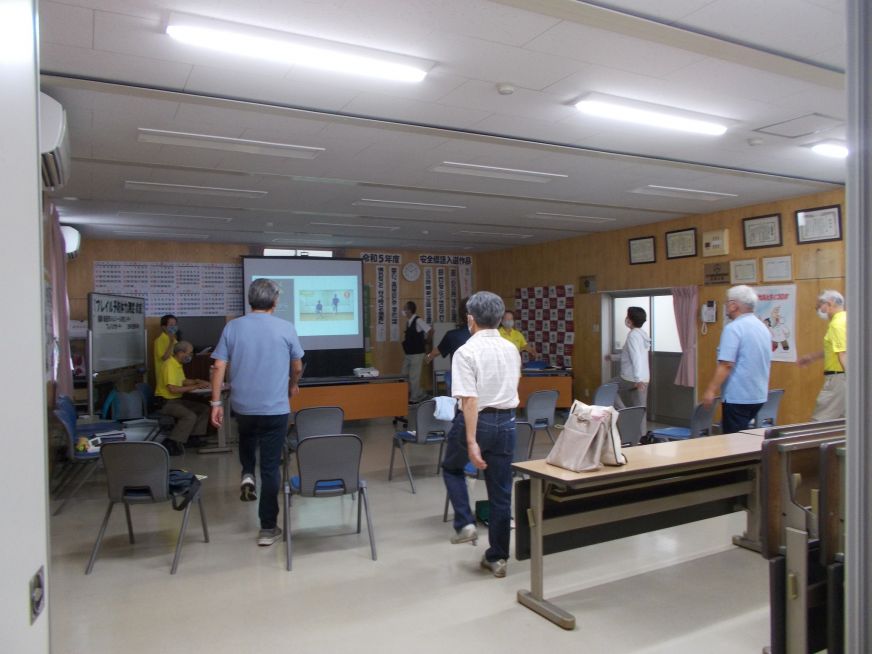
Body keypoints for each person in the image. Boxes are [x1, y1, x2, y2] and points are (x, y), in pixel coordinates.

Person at [210, 278, 305, 547]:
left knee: (247, 438)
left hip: (244, 406)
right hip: (275, 408)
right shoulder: (286, 327)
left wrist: (215, 403)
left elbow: (218, 367)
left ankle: (247, 473)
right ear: (274, 301)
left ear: (251, 300)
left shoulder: (233, 327)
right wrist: (293, 384)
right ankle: (267, 527)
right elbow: (297, 366)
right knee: (271, 467)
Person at [443, 291, 521, 578]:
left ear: (470, 319)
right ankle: (498, 558)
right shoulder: (511, 348)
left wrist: (472, 440)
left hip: (479, 421)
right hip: (508, 423)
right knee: (501, 493)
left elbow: (470, 400)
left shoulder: (466, 351)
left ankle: (465, 522)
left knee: (452, 468)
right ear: (500, 319)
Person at [702, 285, 771, 434]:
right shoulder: (762, 327)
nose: (726, 306)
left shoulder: (733, 328)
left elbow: (726, 364)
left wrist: (711, 390)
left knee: (733, 441)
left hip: (738, 396)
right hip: (758, 394)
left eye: (727, 302)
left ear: (734, 305)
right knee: (745, 437)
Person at [155, 340, 211, 455]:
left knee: (204, 409)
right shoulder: (169, 365)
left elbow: (182, 381)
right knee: (189, 416)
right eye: (189, 353)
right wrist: (195, 386)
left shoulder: (177, 364)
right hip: (166, 402)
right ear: (180, 353)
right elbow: (173, 389)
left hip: (177, 400)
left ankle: (192, 438)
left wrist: (197, 381)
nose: (190, 356)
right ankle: (172, 442)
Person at [798, 290, 846, 420]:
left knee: (819, 421)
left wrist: (851, 381)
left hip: (838, 379)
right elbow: (836, 349)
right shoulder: (847, 320)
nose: (818, 309)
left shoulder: (837, 324)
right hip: (844, 379)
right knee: (843, 422)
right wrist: (812, 357)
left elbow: (843, 353)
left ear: (829, 303)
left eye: (819, 305)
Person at [607, 306, 650, 432]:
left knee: (607, 388)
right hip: (644, 378)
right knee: (640, 408)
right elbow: (629, 356)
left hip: (631, 378)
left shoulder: (632, 336)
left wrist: (637, 379)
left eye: (627, 316)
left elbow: (636, 357)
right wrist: (613, 357)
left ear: (630, 320)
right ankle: (642, 436)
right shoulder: (643, 335)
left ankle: (625, 412)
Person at [425, 298, 470, 394]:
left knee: (448, 377)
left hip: (459, 382)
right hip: (483, 383)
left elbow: (435, 352)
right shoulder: (486, 335)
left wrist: (427, 358)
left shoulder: (452, 335)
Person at [401, 301, 432, 403]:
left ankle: (414, 398)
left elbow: (430, 331)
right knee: (404, 374)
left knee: (414, 377)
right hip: (409, 354)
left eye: (405, 309)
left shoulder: (418, 320)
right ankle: (420, 393)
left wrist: (426, 343)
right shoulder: (408, 322)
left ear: (409, 310)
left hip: (417, 354)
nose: (403, 311)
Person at [153, 314, 178, 381]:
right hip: (164, 374)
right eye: (171, 324)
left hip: (174, 371)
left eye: (175, 324)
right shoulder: (159, 340)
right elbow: (164, 358)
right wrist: (171, 343)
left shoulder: (174, 339)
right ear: (164, 327)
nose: (174, 327)